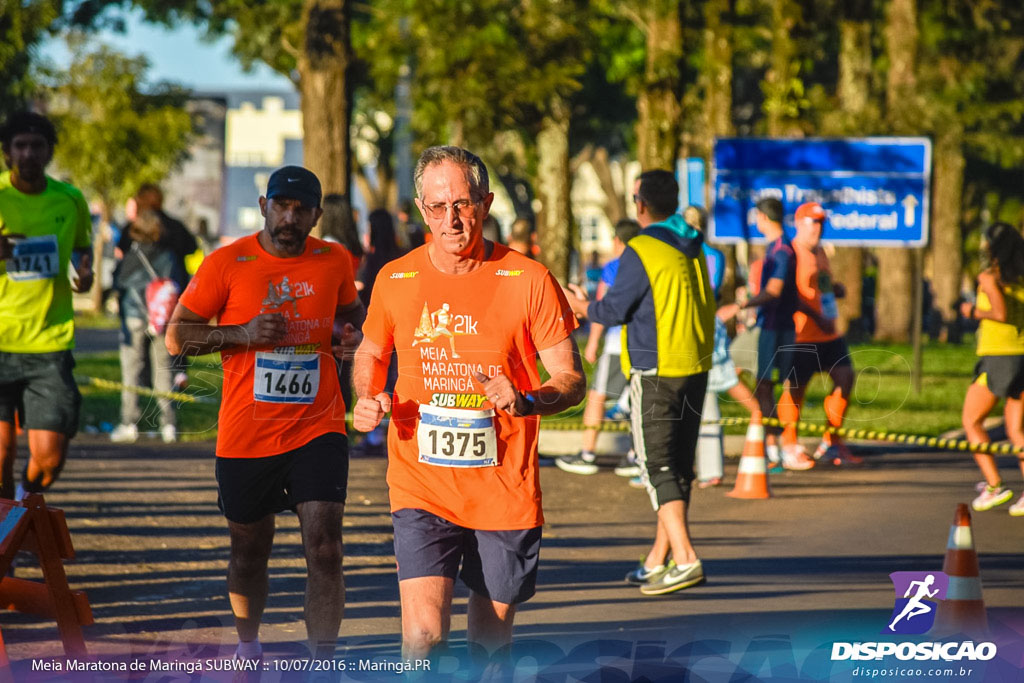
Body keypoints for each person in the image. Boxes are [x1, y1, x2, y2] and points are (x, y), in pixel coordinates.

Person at [352, 145, 585, 663]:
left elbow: (570, 378)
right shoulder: (396, 278)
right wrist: (366, 396)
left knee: (489, 645)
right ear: (420, 209)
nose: (451, 218)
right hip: (421, 483)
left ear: (486, 202)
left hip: (504, 489)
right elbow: (370, 351)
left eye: (463, 203)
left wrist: (526, 400)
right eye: (437, 207)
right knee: (423, 636)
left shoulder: (528, 279)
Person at [165, 165, 365, 662]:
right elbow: (177, 336)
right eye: (281, 205)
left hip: (317, 426)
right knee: (249, 552)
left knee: (325, 548)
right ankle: (249, 645)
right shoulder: (226, 263)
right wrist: (243, 335)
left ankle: (323, 661)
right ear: (262, 205)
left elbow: (352, 317)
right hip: (246, 433)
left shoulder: (334, 259)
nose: (290, 217)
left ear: (317, 215)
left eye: (301, 209)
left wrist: (352, 340)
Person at [564, 170, 716, 596]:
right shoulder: (693, 244)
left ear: (640, 204)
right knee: (678, 466)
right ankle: (658, 558)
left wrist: (581, 306)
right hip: (696, 365)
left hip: (656, 369)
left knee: (656, 466)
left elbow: (613, 310)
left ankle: (685, 558)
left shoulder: (641, 248)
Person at [0, 111, 94, 501]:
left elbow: (82, 250)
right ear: (6, 153)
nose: (28, 153)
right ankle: (5, 543)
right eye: (19, 145)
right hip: (1, 342)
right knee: (0, 455)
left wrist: (84, 274)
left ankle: (19, 507)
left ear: (50, 152)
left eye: (36, 145)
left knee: (49, 459)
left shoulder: (70, 199)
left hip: (50, 343)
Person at [719, 197, 813, 471]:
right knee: (761, 385)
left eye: (756, 216)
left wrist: (737, 306)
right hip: (767, 326)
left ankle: (778, 443)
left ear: (762, 217)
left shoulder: (782, 250)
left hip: (775, 328)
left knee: (756, 381)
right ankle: (772, 443)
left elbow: (774, 291)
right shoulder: (775, 248)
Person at [556, 218, 640, 477]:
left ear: (617, 241)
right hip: (640, 344)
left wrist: (593, 341)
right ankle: (635, 455)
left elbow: (603, 306)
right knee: (636, 400)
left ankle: (587, 453)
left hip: (616, 344)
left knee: (597, 397)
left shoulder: (614, 267)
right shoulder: (644, 265)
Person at [958, 222, 1024, 516]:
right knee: (1017, 430)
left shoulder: (989, 277)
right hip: (1021, 354)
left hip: (998, 356)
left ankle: (995, 484)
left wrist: (973, 311)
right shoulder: (1020, 278)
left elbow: (999, 313)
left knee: (971, 421)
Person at [787, 202, 860, 466]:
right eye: (813, 222)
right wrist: (816, 315)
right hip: (802, 334)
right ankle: (789, 443)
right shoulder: (791, 252)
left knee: (845, 377)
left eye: (821, 223)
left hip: (829, 334)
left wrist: (834, 291)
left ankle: (832, 441)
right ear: (798, 223)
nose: (818, 228)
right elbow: (790, 295)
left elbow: (821, 286)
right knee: (796, 389)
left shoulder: (821, 252)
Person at [110, 210, 189, 444]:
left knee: (131, 371)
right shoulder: (169, 256)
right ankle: (168, 424)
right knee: (163, 371)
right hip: (161, 318)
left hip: (133, 316)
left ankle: (129, 422)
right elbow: (178, 283)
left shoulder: (131, 256)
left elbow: (119, 282)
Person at [320, 194, 364, 411]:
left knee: (334, 374)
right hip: (351, 315)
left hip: (333, 317)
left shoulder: (328, 247)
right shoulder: (352, 246)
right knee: (344, 372)